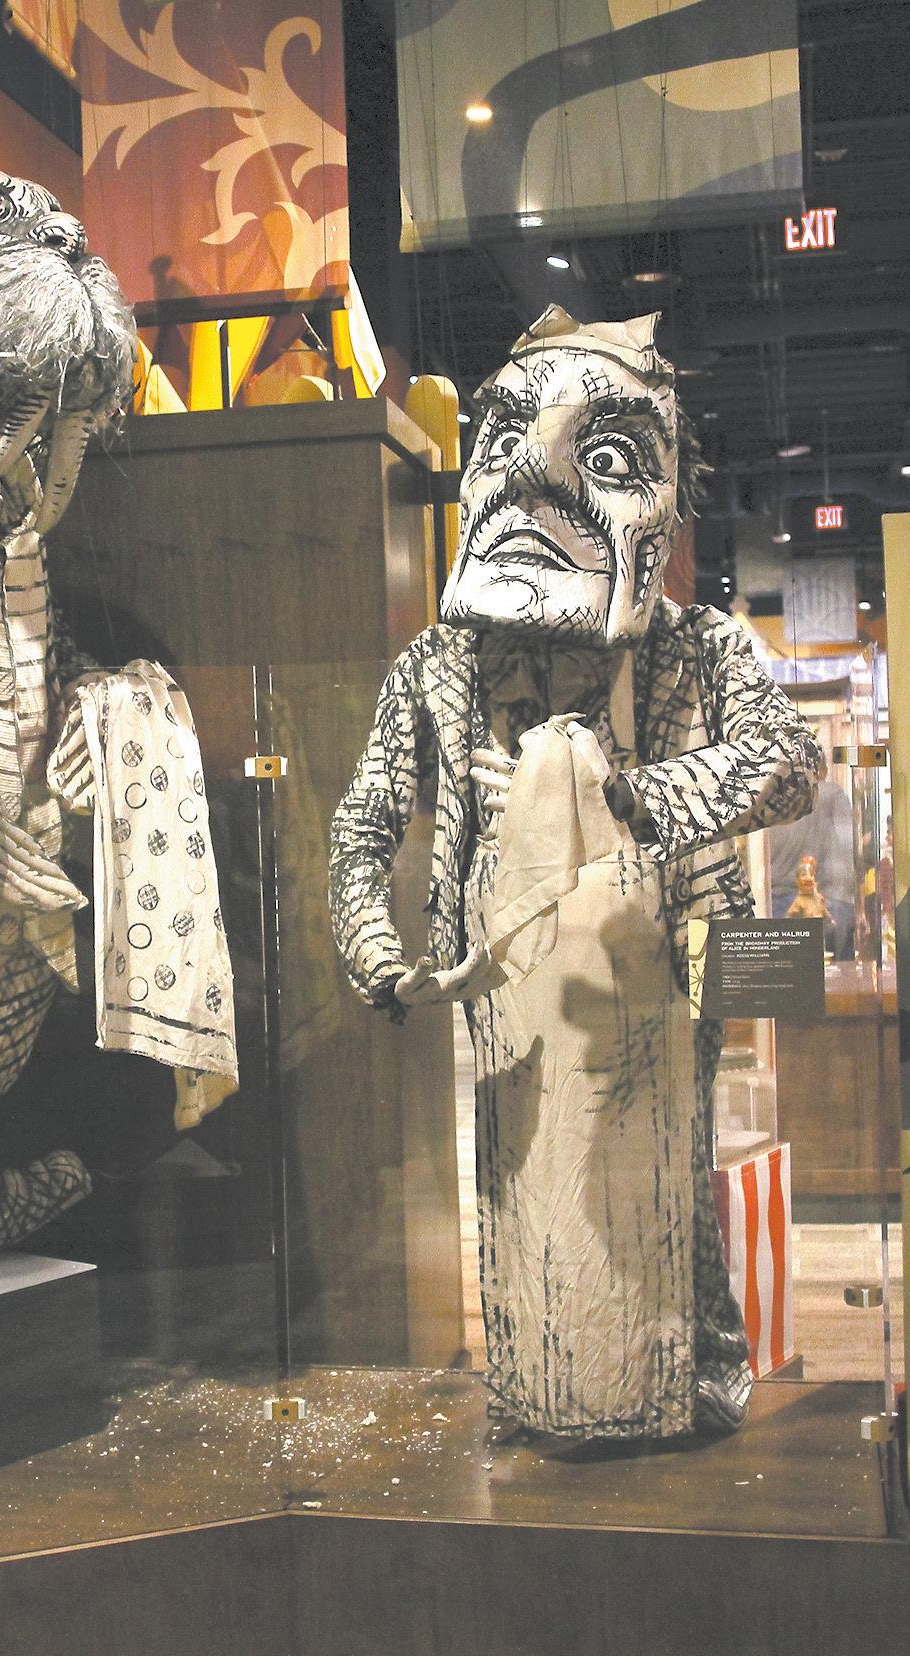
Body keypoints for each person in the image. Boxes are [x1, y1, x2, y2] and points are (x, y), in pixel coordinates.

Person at [329, 307, 820, 1442]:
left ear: (664, 505)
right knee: (526, 1194)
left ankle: (682, 1381)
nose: (530, 479)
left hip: (665, 978)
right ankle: (536, 1388)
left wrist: (630, 798)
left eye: (599, 457)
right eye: (505, 442)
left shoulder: (698, 650)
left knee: (664, 1182)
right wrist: (377, 954)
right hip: (510, 1001)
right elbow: (362, 825)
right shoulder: (438, 670)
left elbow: (787, 761)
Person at [767, 753, 856, 958]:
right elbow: (848, 845)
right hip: (828, 900)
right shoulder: (832, 794)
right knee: (840, 973)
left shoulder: (771, 801)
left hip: (777, 905)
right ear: (820, 769)